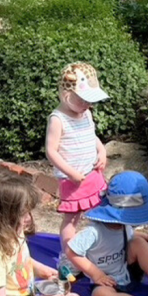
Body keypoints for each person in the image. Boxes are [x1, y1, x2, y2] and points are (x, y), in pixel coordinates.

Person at [67, 171, 148, 296]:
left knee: (138, 243)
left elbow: (129, 234)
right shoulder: (94, 232)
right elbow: (72, 251)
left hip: (127, 271)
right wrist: (96, 274)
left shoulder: (123, 225)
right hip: (107, 280)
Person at [46, 63, 109, 268]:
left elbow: (92, 136)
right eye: (83, 100)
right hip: (72, 180)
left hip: (92, 174)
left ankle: (100, 249)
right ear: (66, 95)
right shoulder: (58, 119)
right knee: (72, 220)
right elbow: (51, 151)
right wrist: (70, 172)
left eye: (89, 101)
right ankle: (69, 256)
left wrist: (102, 151)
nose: (87, 105)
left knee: (101, 213)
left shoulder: (86, 114)